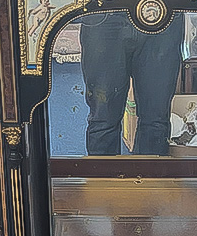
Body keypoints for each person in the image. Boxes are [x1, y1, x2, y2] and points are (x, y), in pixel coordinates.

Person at [79, 12, 185, 156]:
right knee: (103, 120)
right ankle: (102, 178)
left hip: (162, 11)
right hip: (104, 8)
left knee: (156, 122)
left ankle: (150, 178)